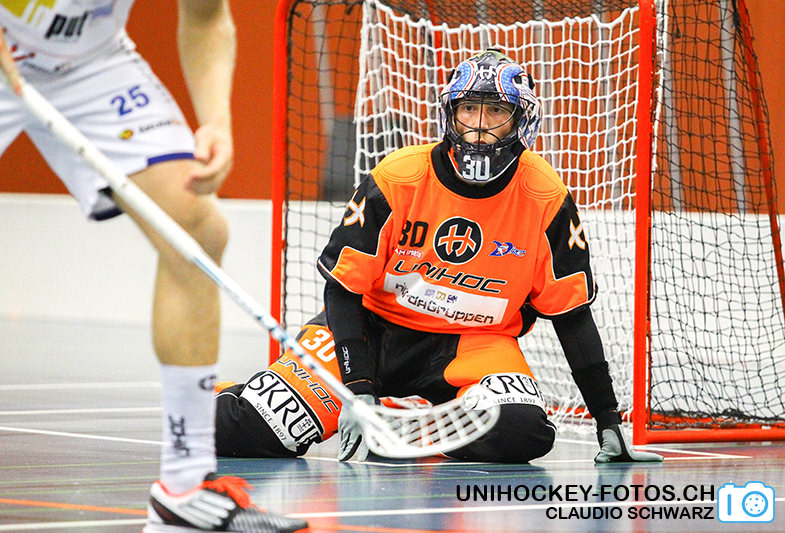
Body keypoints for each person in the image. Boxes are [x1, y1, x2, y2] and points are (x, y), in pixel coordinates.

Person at [213, 49, 662, 465]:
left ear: (521, 121)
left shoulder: (546, 197)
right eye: (468, 108)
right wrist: (357, 389)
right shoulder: (398, 177)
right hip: (371, 332)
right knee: (242, 431)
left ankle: (405, 421)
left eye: (496, 110)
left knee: (521, 433)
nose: (480, 124)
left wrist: (608, 420)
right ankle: (237, 393)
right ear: (451, 113)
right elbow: (343, 288)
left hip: (474, 342)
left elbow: (571, 314)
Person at [0, 3, 307, 532]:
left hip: (90, 62)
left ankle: (184, 489)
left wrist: (216, 120)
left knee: (195, 226)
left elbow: (206, 18)